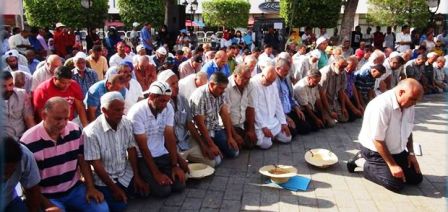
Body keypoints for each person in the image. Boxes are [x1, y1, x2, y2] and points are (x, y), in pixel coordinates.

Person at [21, 97, 109, 211]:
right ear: (44, 115)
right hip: (46, 195)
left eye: (66, 118)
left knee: (101, 209)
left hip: (74, 189)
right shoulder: (28, 142)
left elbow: (82, 160)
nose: (62, 123)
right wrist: (47, 204)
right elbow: (28, 183)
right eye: (57, 119)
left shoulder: (75, 130)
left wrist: (90, 187)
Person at [348, 79, 424, 192]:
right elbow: (377, 140)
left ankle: (386, 165)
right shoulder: (381, 106)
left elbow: (408, 130)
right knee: (396, 184)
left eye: (416, 101)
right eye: (412, 99)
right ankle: (361, 161)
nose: (414, 103)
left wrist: (411, 153)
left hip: (397, 150)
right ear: (401, 92)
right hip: (375, 151)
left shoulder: (409, 105)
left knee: (416, 178)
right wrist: (393, 165)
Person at [83, 92, 149, 211]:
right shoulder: (91, 132)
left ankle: (126, 190)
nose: (121, 113)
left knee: (146, 191)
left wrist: (137, 176)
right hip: (105, 179)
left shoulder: (126, 123)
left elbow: (131, 149)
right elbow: (95, 164)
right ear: (104, 110)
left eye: (122, 109)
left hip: (124, 173)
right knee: (119, 206)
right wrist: (114, 188)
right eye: (116, 110)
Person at [128, 81, 188, 197]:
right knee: (163, 191)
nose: (165, 105)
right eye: (162, 101)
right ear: (151, 97)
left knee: (179, 185)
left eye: (167, 101)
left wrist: (175, 164)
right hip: (143, 157)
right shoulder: (137, 113)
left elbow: (169, 137)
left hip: (162, 153)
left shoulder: (168, 107)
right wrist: (156, 173)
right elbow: (143, 147)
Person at [158, 70, 221, 167]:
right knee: (183, 174)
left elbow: (190, 124)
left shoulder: (182, 99)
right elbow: (165, 136)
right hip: (172, 147)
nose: (176, 86)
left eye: (177, 82)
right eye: (172, 84)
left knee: (215, 161)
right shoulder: (161, 104)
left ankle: (189, 159)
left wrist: (203, 145)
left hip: (186, 141)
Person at [2, 136, 60, 211]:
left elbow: (33, 190)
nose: (6, 178)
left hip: (9, 199)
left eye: (11, 173)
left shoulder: (25, 155)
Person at [190, 72, 240, 158]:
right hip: (202, 132)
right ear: (212, 84)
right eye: (221, 88)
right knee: (215, 160)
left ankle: (219, 148)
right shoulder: (199, 96)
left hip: (215, 128)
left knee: (234, 152)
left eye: (224, 88)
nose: (223, 91)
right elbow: (200, 125)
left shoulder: (220, 93)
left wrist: (230, 137)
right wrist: (211, 145)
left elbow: (224, 114)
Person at [251, 64, 291, 149]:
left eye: (272, 82)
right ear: (262, 75)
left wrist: (283, 122)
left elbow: (278, 103)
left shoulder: (272, 82)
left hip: (272, 121)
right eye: (268, 81)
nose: (270, 84)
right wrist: (263, 127)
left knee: (287, 138)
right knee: (266, 144)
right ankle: (271, 137)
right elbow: (255, 109)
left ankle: (273, 136)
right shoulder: (253, 84)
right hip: (260, 123)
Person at [224, 64, 257, 148]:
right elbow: (225, 115)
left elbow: (251, 107)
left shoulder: (250, 84)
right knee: (233, 151)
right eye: (245, 78)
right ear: (235, 76)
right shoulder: (226, 87)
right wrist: (234, 135)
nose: (247, 81)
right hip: (228, 125)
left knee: (254, 142)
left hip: (242, 123)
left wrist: (250, 129)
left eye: (249, 78)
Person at [274, 58, 310, 135]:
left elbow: (290, 96)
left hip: (290, 109)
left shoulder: (286, 78)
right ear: (277, 69)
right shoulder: (273, 81)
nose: (287, 73)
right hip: (280, 113)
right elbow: (274, 104)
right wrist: (286, 118)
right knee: (292, 133)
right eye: (285, 71)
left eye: (288, 71)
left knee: (306, 127)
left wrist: (296, 108)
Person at [2, 71, 35, 140]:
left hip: (22, 138)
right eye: (3, 86)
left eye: (11, 85)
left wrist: (34, 138)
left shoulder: (22, 94)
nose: (8, 89)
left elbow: (29, 119)